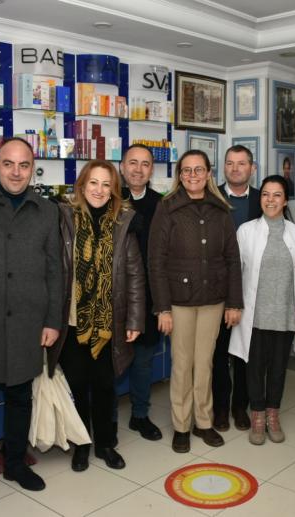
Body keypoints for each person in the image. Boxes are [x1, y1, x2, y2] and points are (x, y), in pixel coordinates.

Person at [0, 138, 63, 509]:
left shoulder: (47, 210)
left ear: (33, 167)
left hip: (28, 325)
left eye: (23, 165)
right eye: (8, 164)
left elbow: (55, 270)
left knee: (21, 398)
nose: (16, 172)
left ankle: (16, 463)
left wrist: (53, 320)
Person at [47, 160, 145, 472]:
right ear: (82, 185)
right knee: (76, 386)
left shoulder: (123, 223)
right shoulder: (63, 218)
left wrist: (135, 320)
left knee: (105, 387)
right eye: (93, 183)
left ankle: (104, 443)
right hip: (73, 321)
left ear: (114, 190)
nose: (99, 190)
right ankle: (81, 444)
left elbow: (134, 275)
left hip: (109, 324)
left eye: (106, 185)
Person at [148, 149, 242, 453]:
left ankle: (204, 422)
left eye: (198, 170)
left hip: (213, 299)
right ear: (179, 175)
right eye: (186, 170)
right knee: (182, 365)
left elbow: (232, 259)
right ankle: (181, 425)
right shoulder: (167, 207)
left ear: (208, 173)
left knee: (205, 364)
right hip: (179, 301)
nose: (192, 176)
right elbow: (156, 261)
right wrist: (162, 307)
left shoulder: (221, 209)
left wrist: (234, 303)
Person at [229, 175, 295, 445]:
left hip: (284, 313)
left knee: (279, 369)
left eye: (277, 195)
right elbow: (235, 273)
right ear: (260, 199)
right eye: (265, 195)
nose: (270, 200)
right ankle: (257, 415)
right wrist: (234, 305)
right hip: (255, 314)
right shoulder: (246, 231)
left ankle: (273, 413)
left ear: (285, 200)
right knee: (254, 368)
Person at [212, 145, 261, 432]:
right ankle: (220, 408)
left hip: (252, 291)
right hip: (216, 290)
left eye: (241, 163)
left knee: (245, 355)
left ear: (252, 168)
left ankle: (240, 407)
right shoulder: (211, 197)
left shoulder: (263, 199)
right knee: (218, 353)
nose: (235, 168)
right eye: (230, 163)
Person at [119, 144, 163, 441]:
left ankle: (140, 414)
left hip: (148, 296)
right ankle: (103, 420)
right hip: (112, 296)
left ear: (152, 170)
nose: (138, 169)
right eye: (132, 163)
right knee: (107, 361)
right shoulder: (106, 197)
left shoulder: (162, 204)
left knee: (143, 360)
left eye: (145, 164)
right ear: (122, 167)